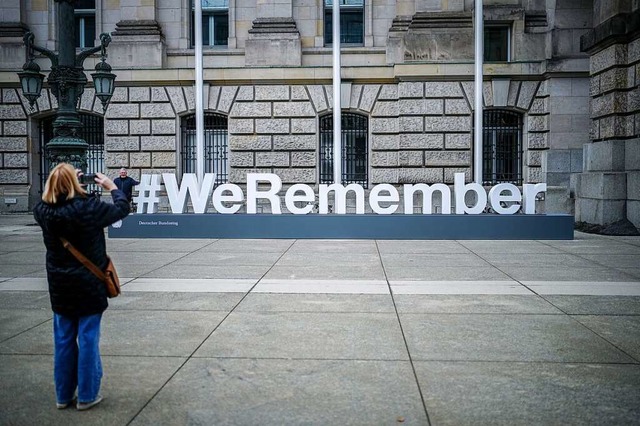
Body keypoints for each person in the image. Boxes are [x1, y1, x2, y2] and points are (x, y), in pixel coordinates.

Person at [33, 163, 130, 411]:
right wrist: (112, 187)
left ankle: (63, 395)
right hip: (88, 283)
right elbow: (122, 208)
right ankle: (87, 395)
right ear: (75, 183)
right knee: (87, 339)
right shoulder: (87, 209)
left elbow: (55, 199)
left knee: (63, 339)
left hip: (59, 284)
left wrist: (68, 183)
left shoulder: (42, 211)